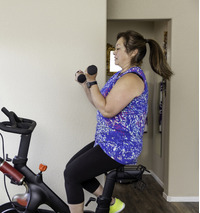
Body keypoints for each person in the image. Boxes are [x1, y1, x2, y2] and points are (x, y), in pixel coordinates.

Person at [64, 30, 173, 213]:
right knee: (72, 170)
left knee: (72, 174)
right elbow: (99, 104)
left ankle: (109, 202)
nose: (114, 52)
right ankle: (111, 202)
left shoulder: (131, 78)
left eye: (118, 48)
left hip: (120, 145)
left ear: (133, 52)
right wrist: (86, 84)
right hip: (107, 141)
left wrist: (93, 82)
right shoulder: (120, 76)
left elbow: (107, 110)